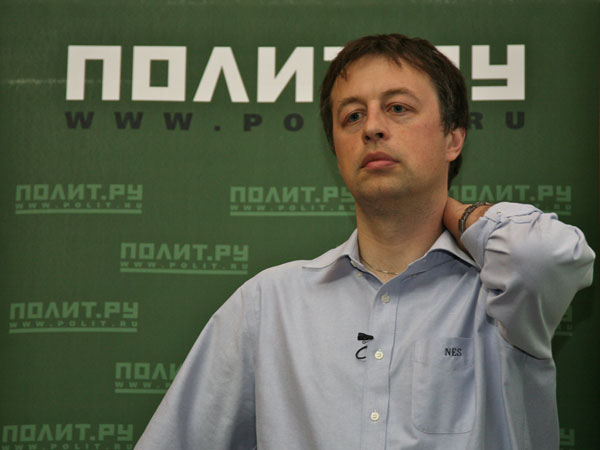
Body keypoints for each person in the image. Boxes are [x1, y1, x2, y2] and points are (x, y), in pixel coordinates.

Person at [135, 34, 594, 450]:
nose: (371, 128)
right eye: (352, 116)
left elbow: (547, 255)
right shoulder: (268, 305)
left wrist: (453, 213)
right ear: (337, 153)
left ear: (453, 139)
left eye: (398, 108)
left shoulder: (502, 293)